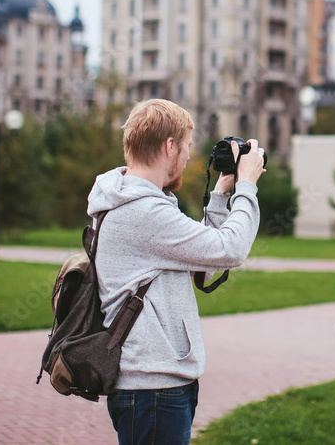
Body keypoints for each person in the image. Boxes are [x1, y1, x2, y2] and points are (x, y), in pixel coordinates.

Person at [88, 99, 265, 445]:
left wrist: (220, 195)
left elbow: (198, 254)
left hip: (153, 383)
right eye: (186, 147)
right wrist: (247, 187)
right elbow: (229, 249)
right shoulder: (143, 211)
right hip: (152, 387)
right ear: (169, 146)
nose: (188, 157)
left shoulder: (132, 200)